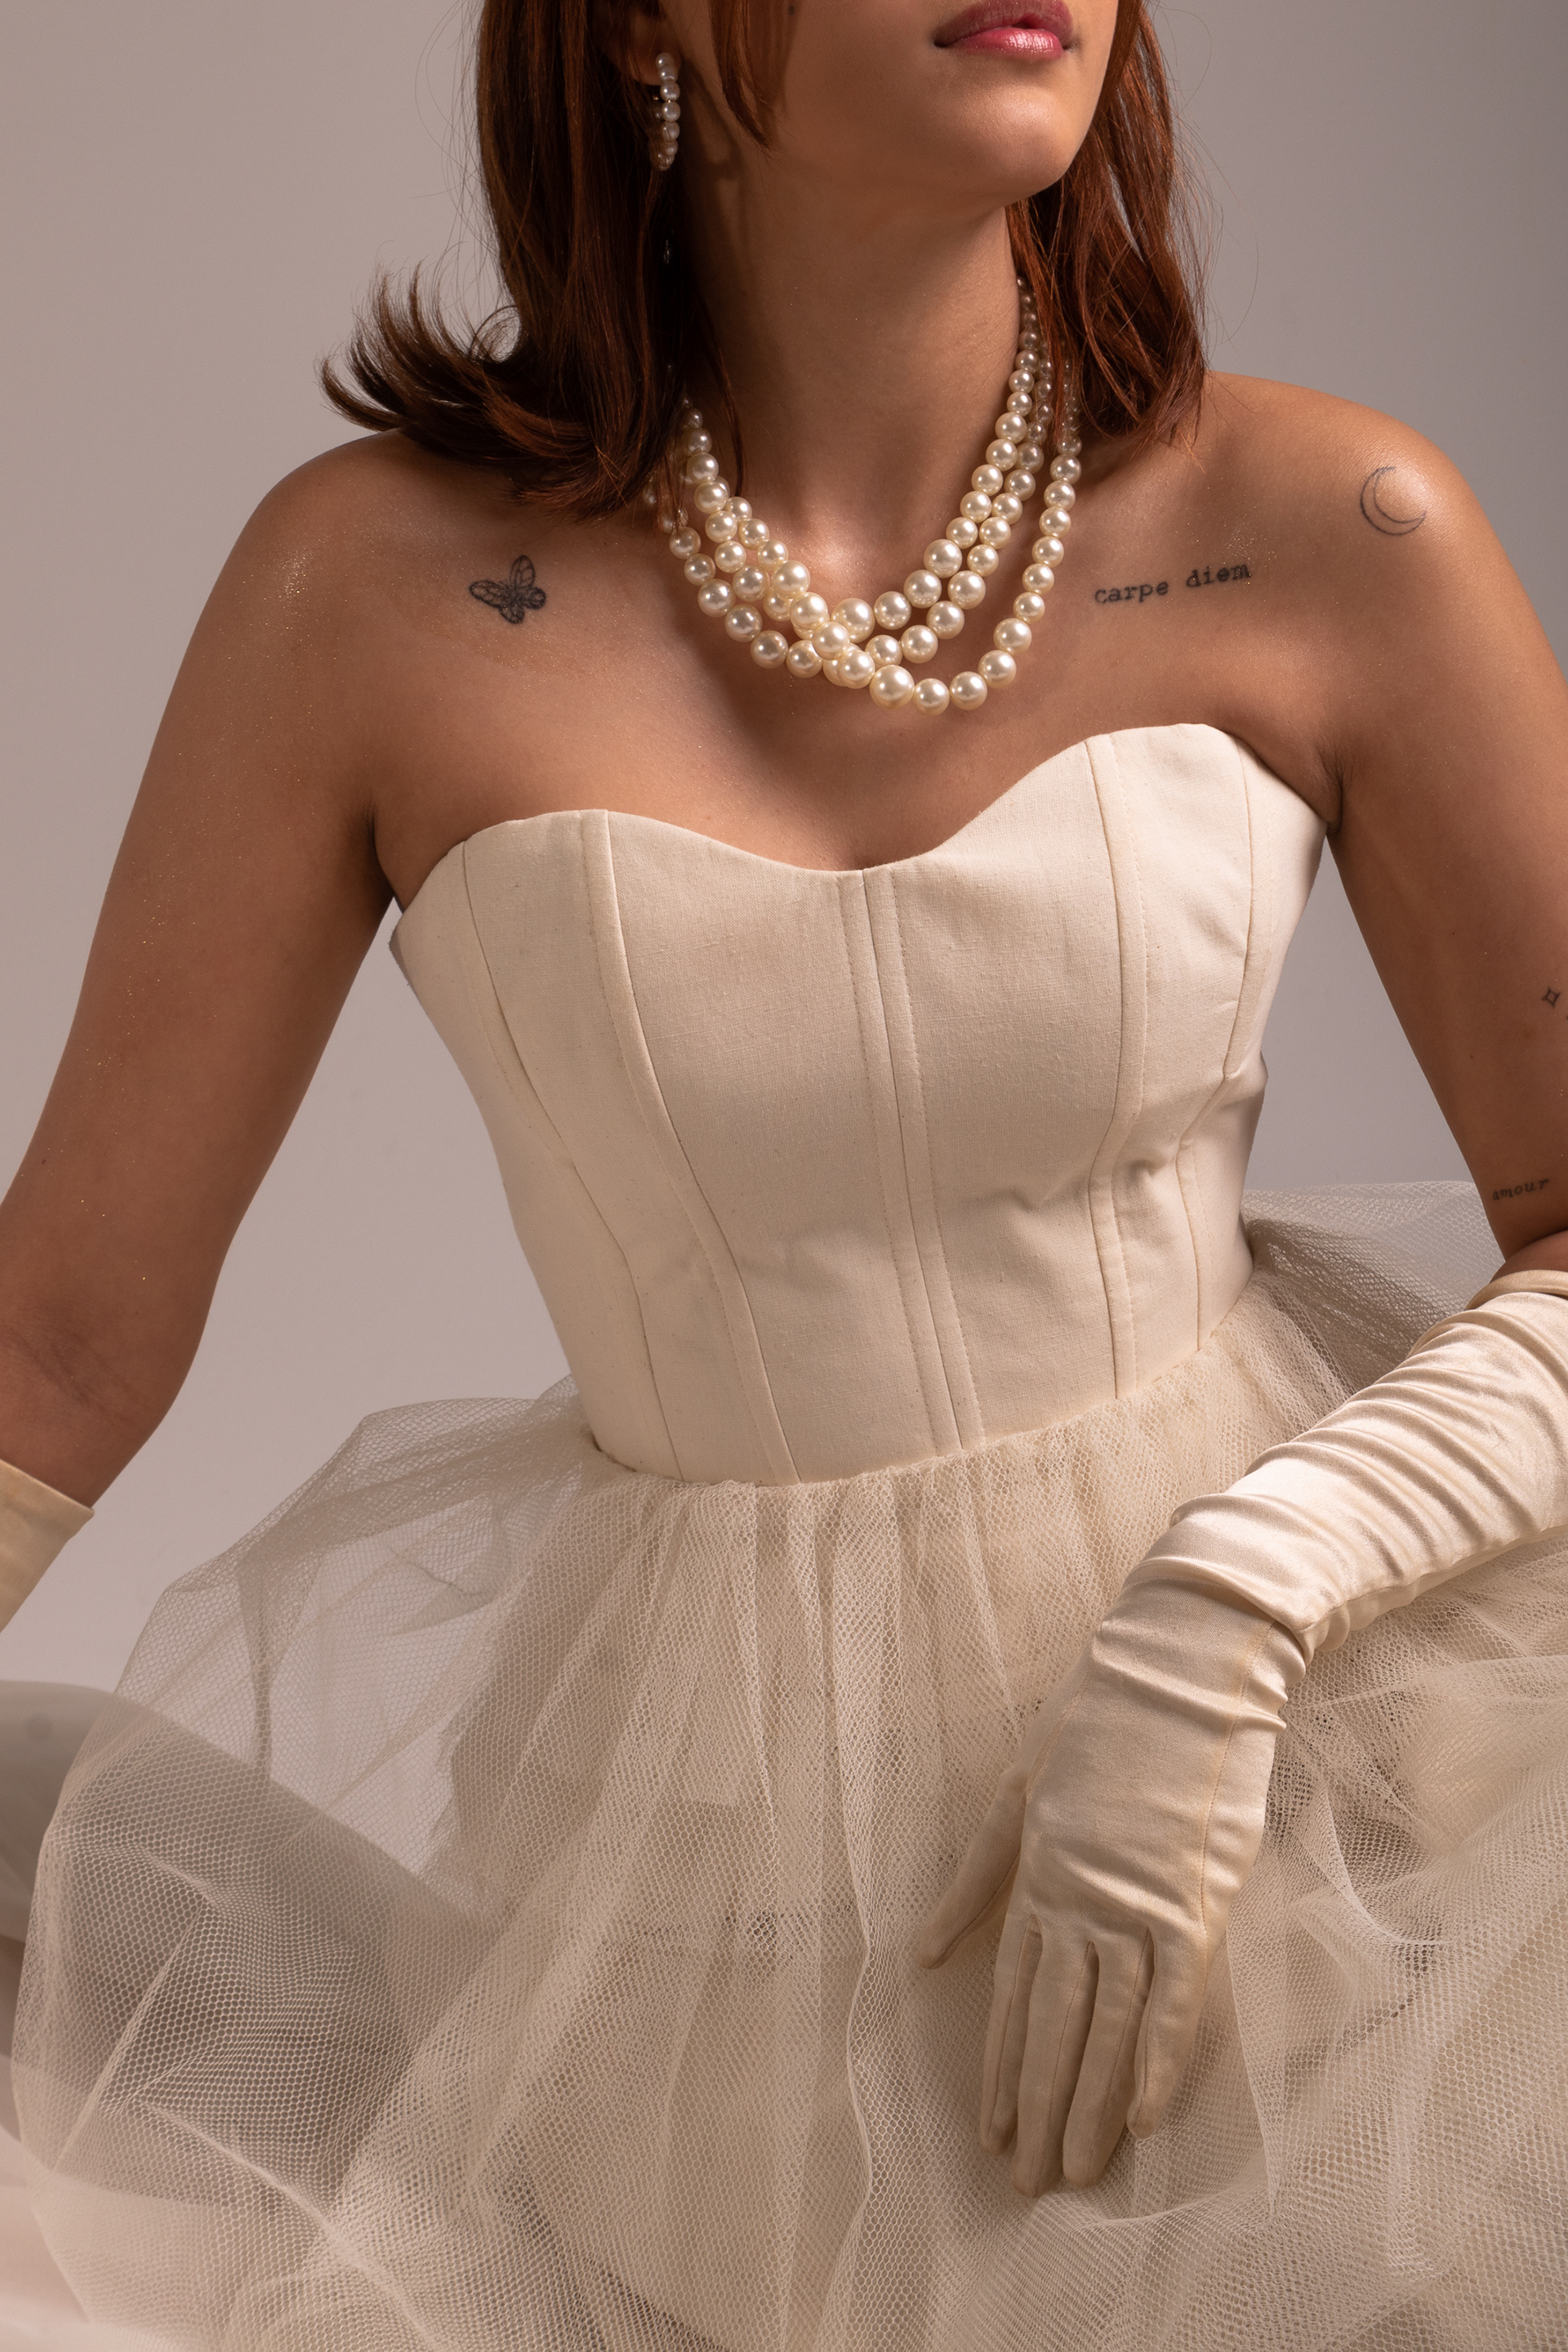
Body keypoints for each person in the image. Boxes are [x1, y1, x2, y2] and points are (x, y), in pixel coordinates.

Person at [2, 0, 1566, 2343]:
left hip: (1314, 1824)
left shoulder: (1332, 530)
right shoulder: (371, 594)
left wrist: (1243, 1602)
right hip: (701, 1900)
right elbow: (50, 1350)